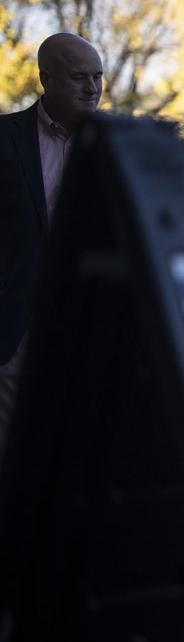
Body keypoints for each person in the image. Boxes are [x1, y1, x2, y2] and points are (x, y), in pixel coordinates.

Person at [0, 33, 105, 457]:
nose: (92, 88)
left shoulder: (121, 147)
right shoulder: (5, 138)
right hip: (13, 327)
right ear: (46, 78)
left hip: (90, 323)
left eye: (98, 76)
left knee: (75, 448)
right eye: (80, 77)